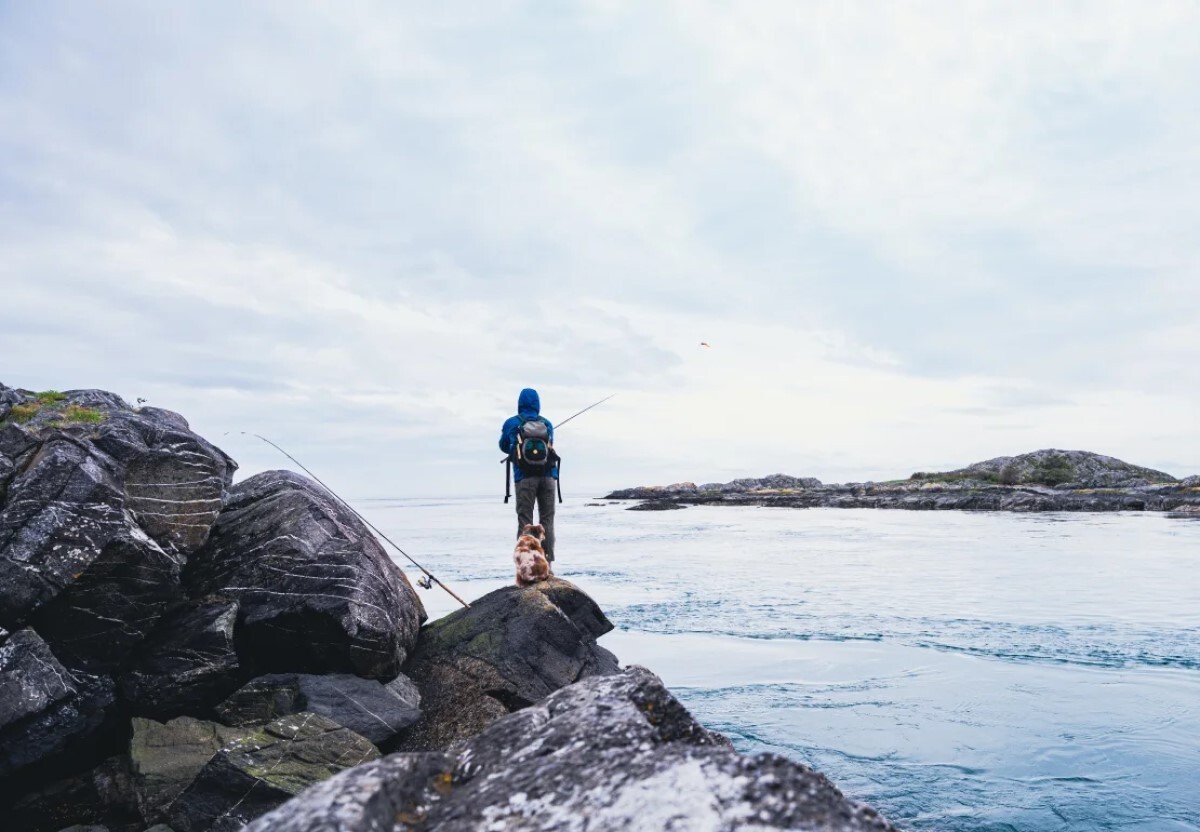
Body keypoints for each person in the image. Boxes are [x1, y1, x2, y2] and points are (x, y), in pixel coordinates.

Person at [499, 388, 558, 561]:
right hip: (548, 476)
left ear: (519, 404)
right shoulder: (546, 423)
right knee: (547, 520)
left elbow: (503, 445)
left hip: (524, 477)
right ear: (538, 404)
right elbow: (550, 444)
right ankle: (547, 563)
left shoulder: (511, 423)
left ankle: (526, 563)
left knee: (525, 520)